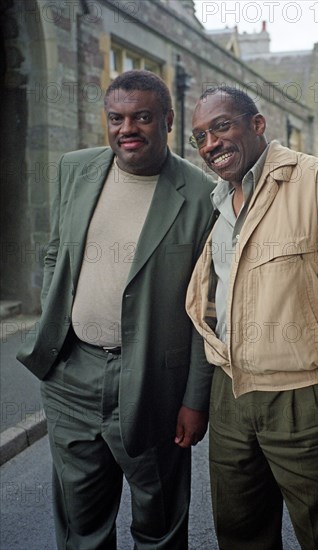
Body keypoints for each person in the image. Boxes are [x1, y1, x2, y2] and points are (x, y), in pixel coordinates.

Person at [17, 70, 216, 550]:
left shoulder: (204, 195)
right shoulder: (75, 168)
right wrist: (55, 316)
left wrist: (194, 399)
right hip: (71, 375)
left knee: (159, 521)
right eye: (116, 118)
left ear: (167, 120)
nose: (127, 128)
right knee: (81, 526)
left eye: (142, 117)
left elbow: (207, 310)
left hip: (153, 382)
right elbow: (55, 251)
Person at [185, 85, 318, 550]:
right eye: (200, 136)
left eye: (221, 126)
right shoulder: (218, 203)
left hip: (303, 400)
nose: (210, 143)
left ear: (257, 125)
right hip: (230, 396)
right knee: (240, 535)